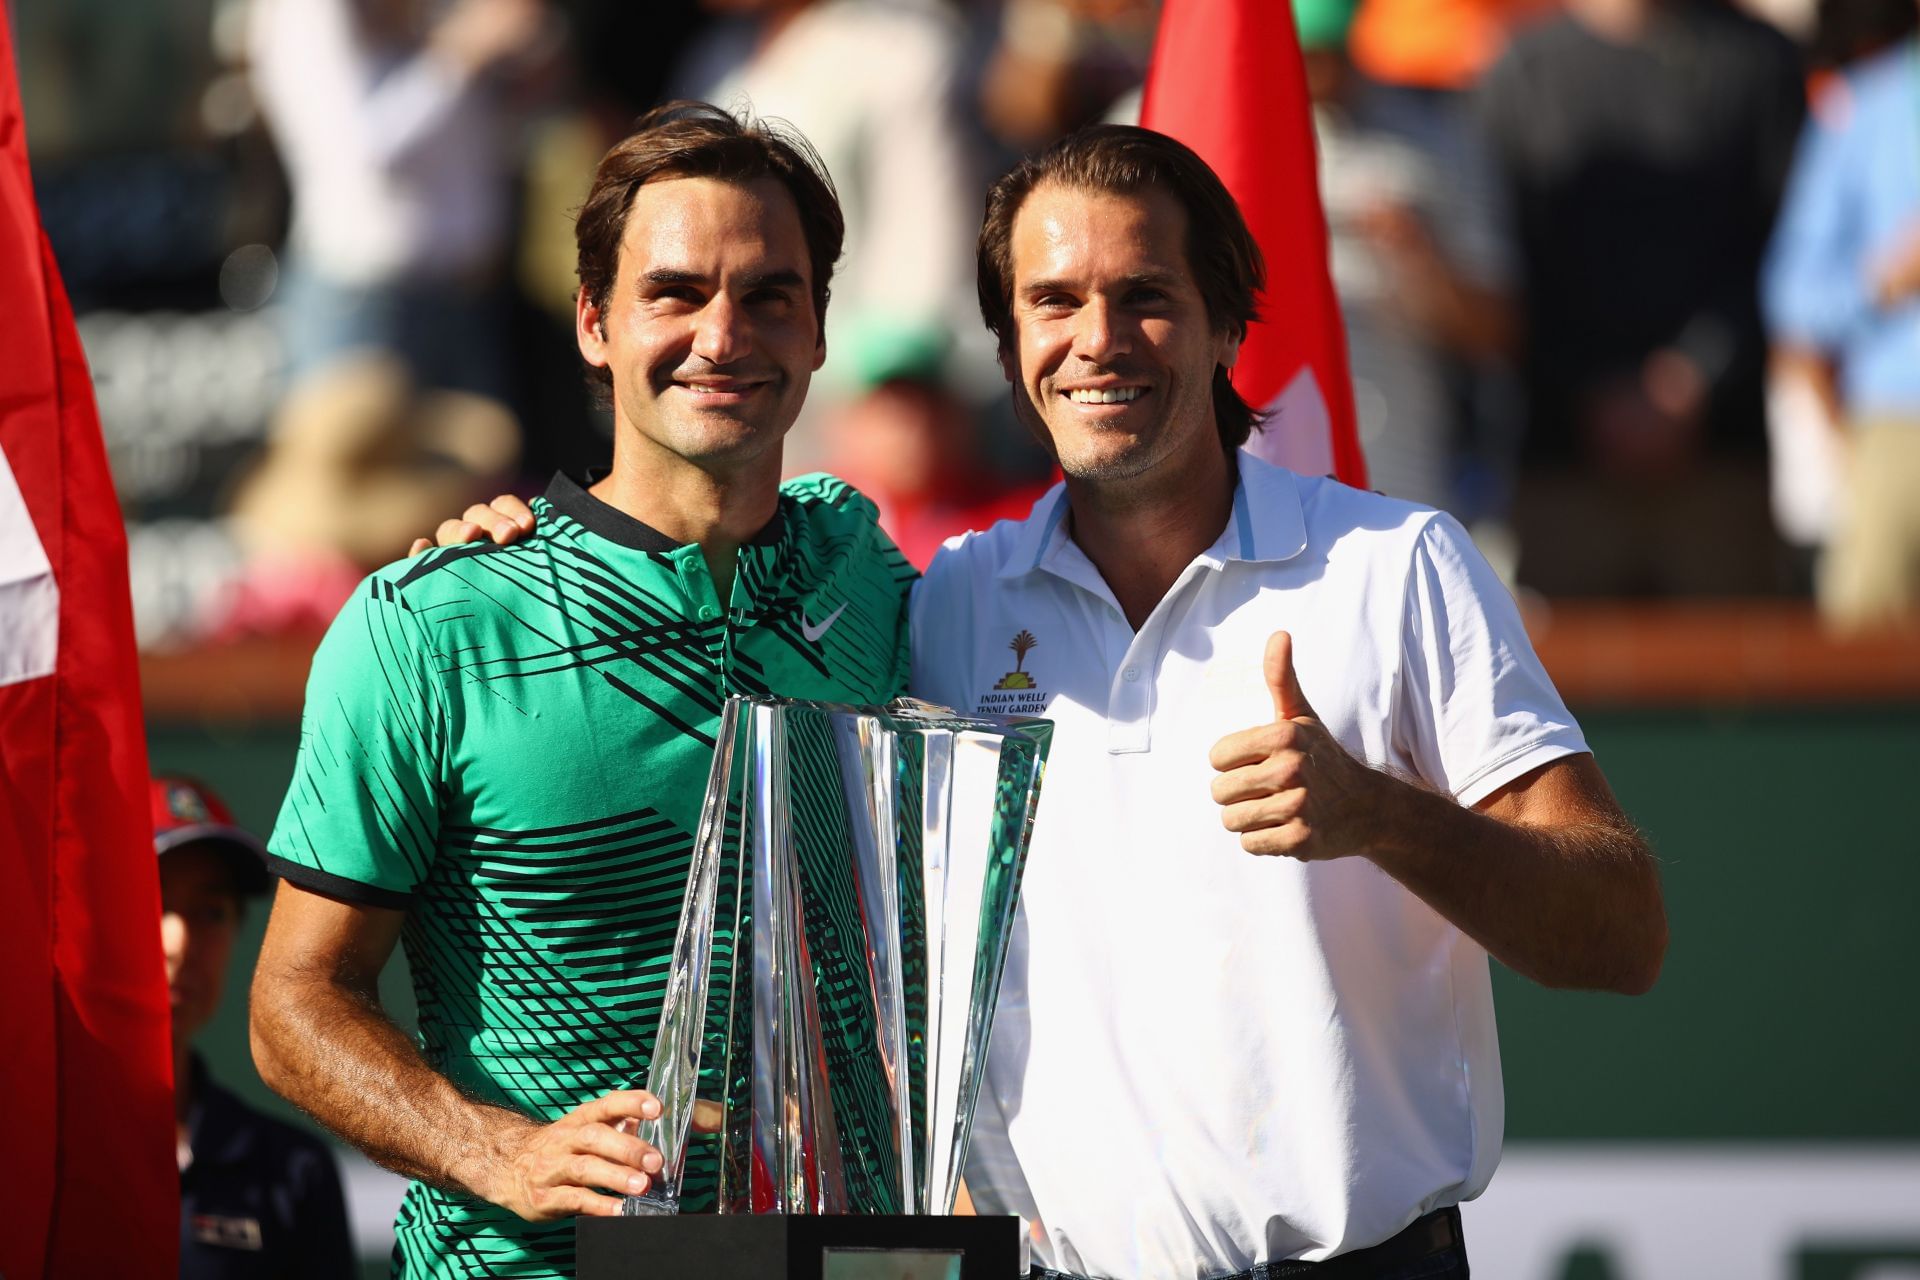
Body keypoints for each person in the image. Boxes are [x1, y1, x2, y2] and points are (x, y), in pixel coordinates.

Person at [436, 125, 1668, 1278]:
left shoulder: (1399, 565)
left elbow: (1622, 929)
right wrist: (528, 535)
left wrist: (1385, 817)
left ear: (1229, 322)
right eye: (1054, 301)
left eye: (1146, 297)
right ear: (1010, 343)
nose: (1100, 339)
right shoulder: (944, 600)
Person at [248, 102, 915, 1279]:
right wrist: (493, 1147)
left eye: (769, 294)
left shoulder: (864, 567)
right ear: (595, 325)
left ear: (818, 330)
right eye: (676, 293)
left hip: (838, 1259)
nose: (725, 334)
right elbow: (295, 1002)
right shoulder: (431, 622)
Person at [1479, 0, 1805, 596]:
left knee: (1731, 683)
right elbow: (1501, 271)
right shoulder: (1518, 72)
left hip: (1720, 465)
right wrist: (1590, 392)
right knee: (1562, 687)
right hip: (1564, 466)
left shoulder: (1760, 62)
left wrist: (1693, 379)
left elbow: (1792, 248)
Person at [154, 775, 354, 1279]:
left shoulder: (291, 1171)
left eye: (211, 912)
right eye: (149, 900)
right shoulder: (28, 1151)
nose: (181, 942)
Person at [1764, 21, 1920, 629]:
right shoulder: (1864, 109)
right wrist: (1887, 278)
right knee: (1868, 673)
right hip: (1899, 437)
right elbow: (1792, 299)